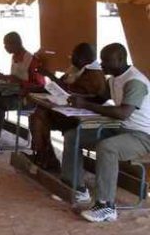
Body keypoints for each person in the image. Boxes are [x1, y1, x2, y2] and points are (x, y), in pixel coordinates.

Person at [60, 43, 150, 222]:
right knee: (74, 135)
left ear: (121, 60)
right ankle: (77, 188)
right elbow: (100, 99)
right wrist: (78, 99)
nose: (101, 64)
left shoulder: (135, 81)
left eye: (106, 61)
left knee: (107, 147)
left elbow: (122, 113)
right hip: (121, 129)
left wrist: (85, 104)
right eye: (101, 60)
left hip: (143, 136)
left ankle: (106, 206)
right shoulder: (114, 78)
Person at [28, 43, 107, 170]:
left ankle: (46, 157)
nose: (71, 58)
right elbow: (62, 84)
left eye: (74, 56)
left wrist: (49, 75)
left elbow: (70, 91)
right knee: (37, 115)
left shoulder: (94, 75)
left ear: (85, 58)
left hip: (80, 118)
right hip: (67, 111)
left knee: (39, 117)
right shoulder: (76, 69)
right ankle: (45, 155)